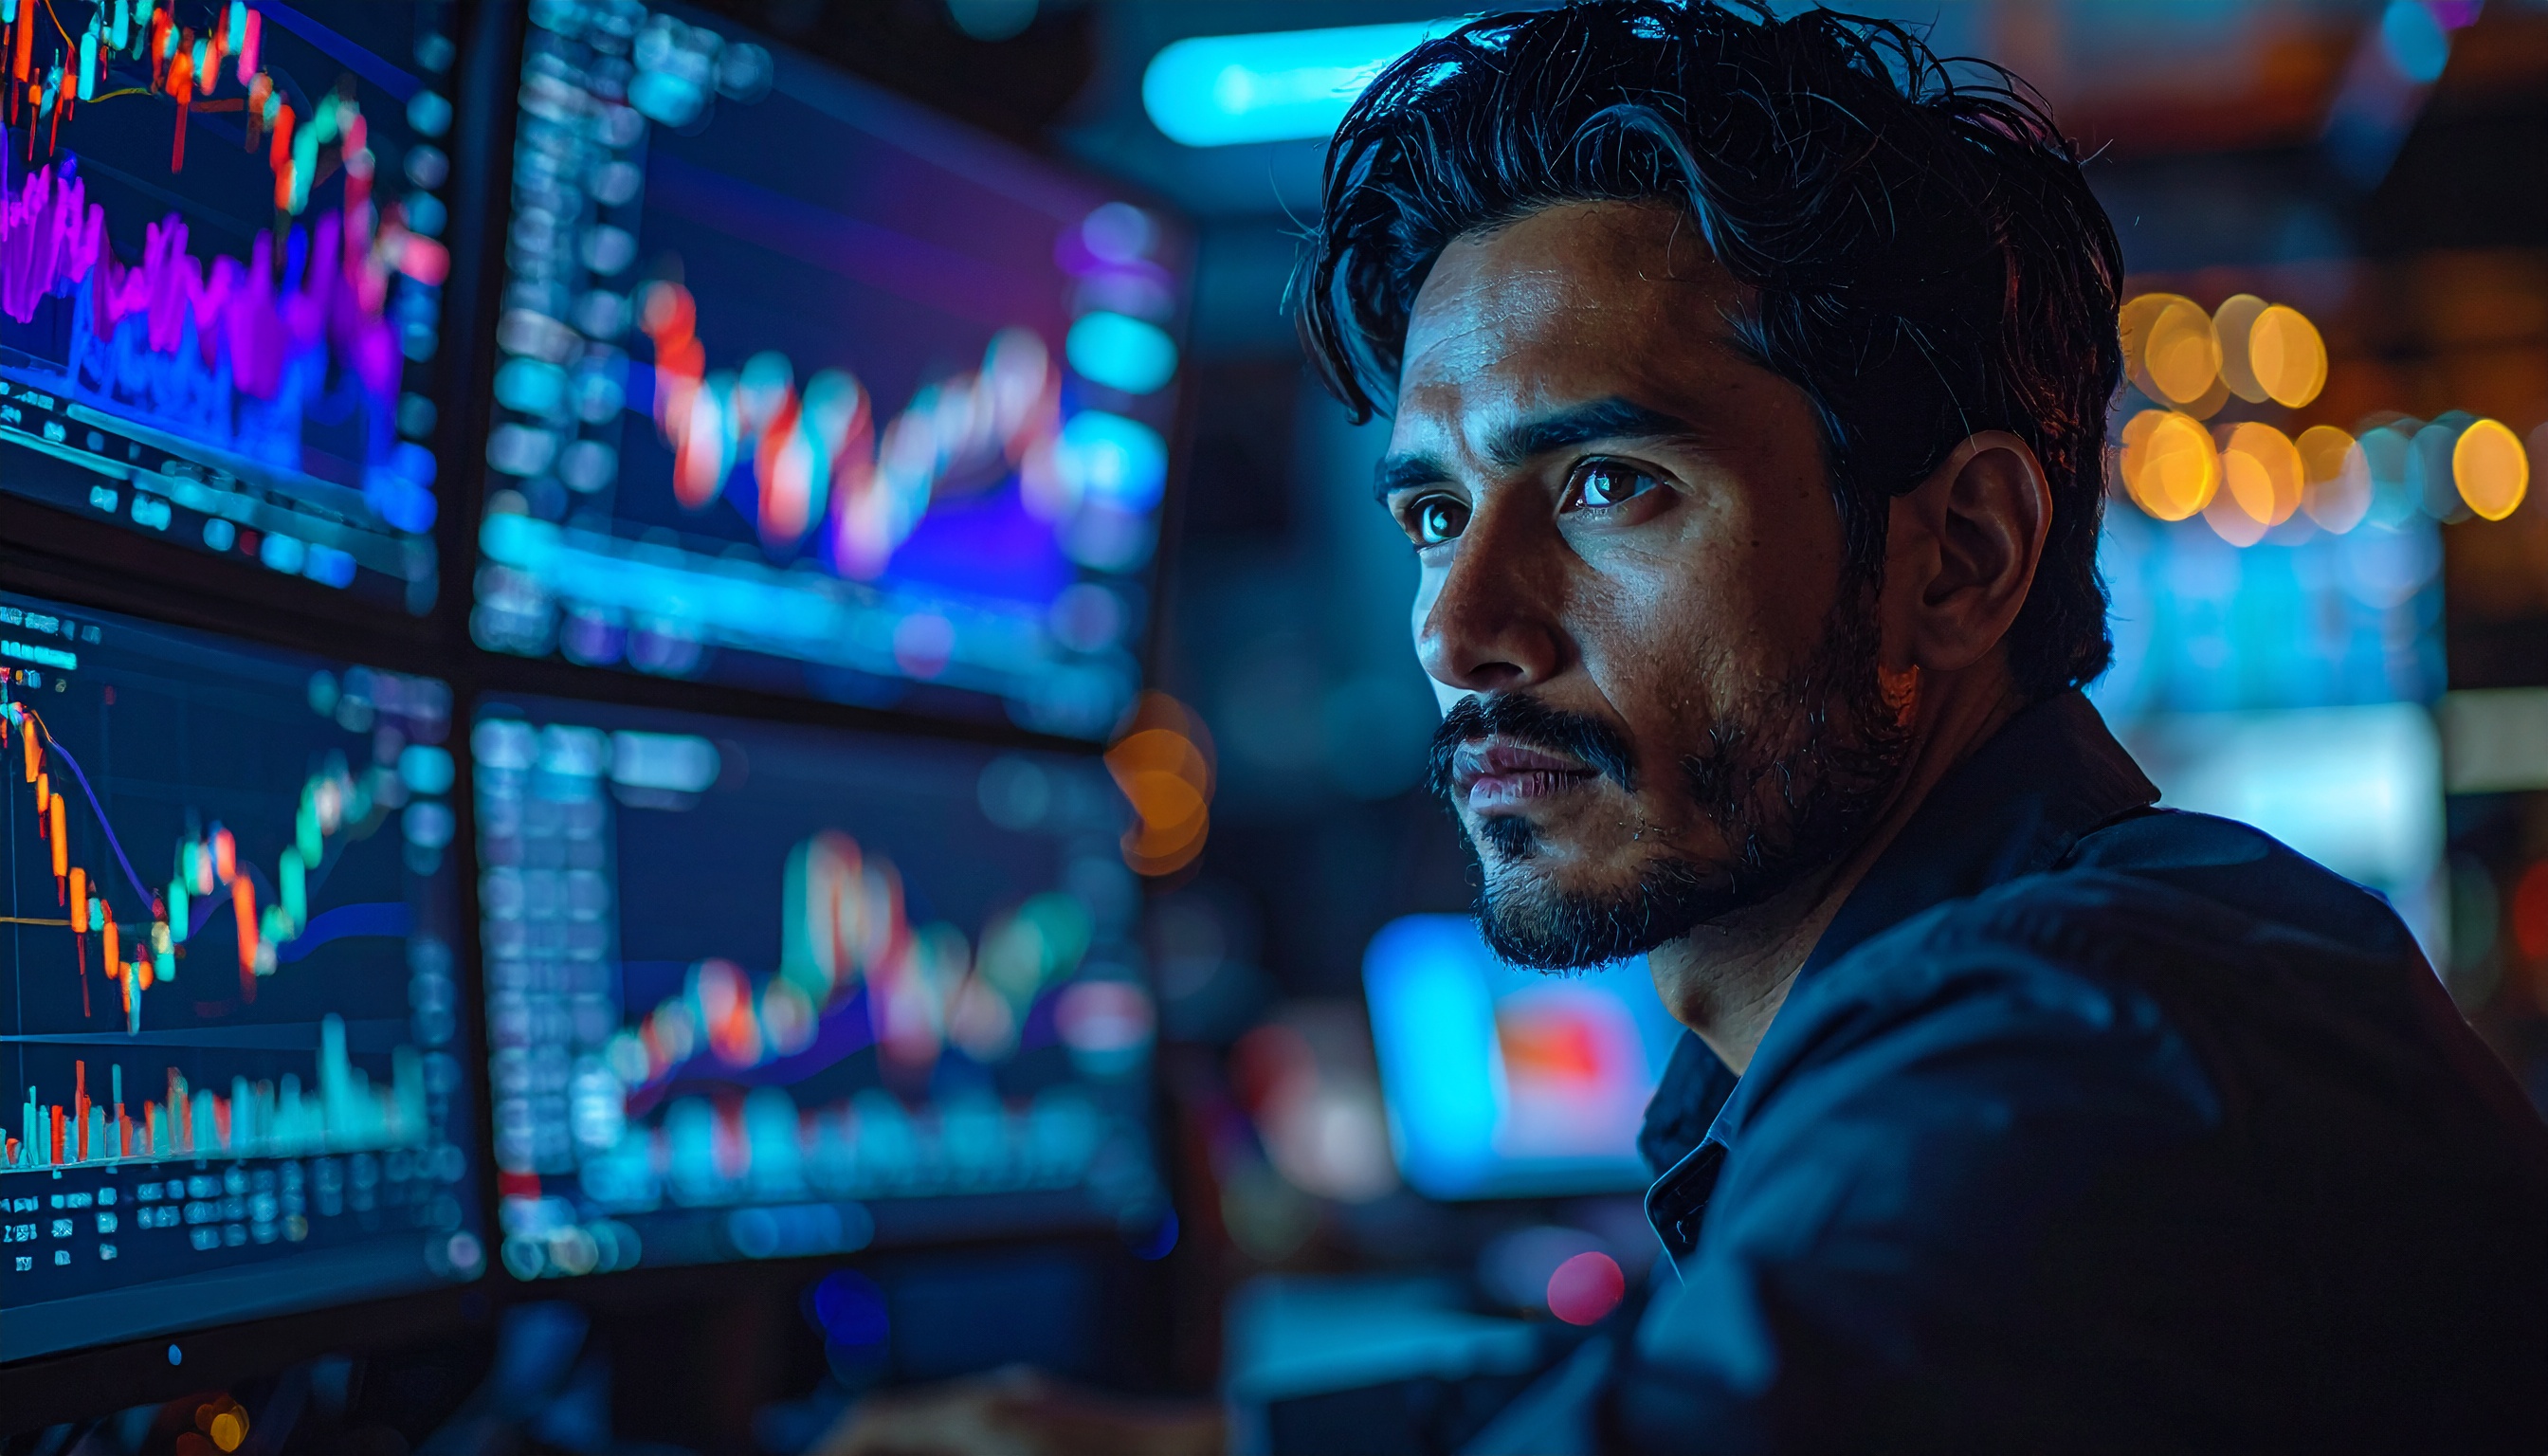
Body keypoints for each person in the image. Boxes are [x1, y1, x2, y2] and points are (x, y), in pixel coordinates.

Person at [829, 3, 2548, 1451]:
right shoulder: (1988, 1001)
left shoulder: (2094, 1028)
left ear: (1956, 558)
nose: (1458, 626)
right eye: (1434, 514)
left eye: (1608, 485)